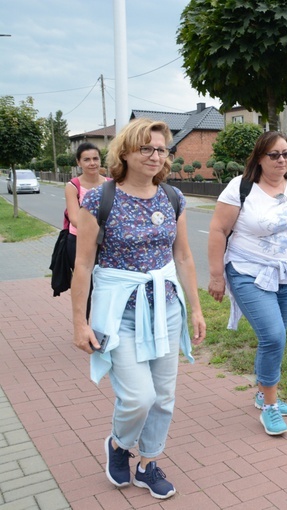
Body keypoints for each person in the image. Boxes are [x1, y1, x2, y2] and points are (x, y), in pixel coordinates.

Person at [70, 118, 206, 499]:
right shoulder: (99, 199)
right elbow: (82, 265)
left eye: (161, 149)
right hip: (120, 313)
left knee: (163, 396)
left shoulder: (173, 198)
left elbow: (183, 255)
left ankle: (147, 463)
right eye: (146, 147)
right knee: (138, 397)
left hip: (166, 308)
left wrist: (195, 309)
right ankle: (118, 443)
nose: (155, 155)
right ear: (126, 152)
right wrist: (79, 323)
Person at [207, 131, 287, 436]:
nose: (282, 160)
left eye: (286, 154)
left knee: (275, 338)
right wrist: (216, 276)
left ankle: (261, 390)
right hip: (248, 272)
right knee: (274, 337)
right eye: (274, 155)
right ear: (259, 158)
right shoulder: (240, 189)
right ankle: (269, 405)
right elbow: (217, 230)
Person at [65, 143, 110, 315]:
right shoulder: (73, 186)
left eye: (95, 158)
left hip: (106, 244)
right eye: (87, 159)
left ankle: (103, 329)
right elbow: (75, 219)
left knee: (105, 286)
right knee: (86, 287)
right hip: (78, 242)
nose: (92, 163)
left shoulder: (111, 184)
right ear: (79, 162)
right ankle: (83, 327)